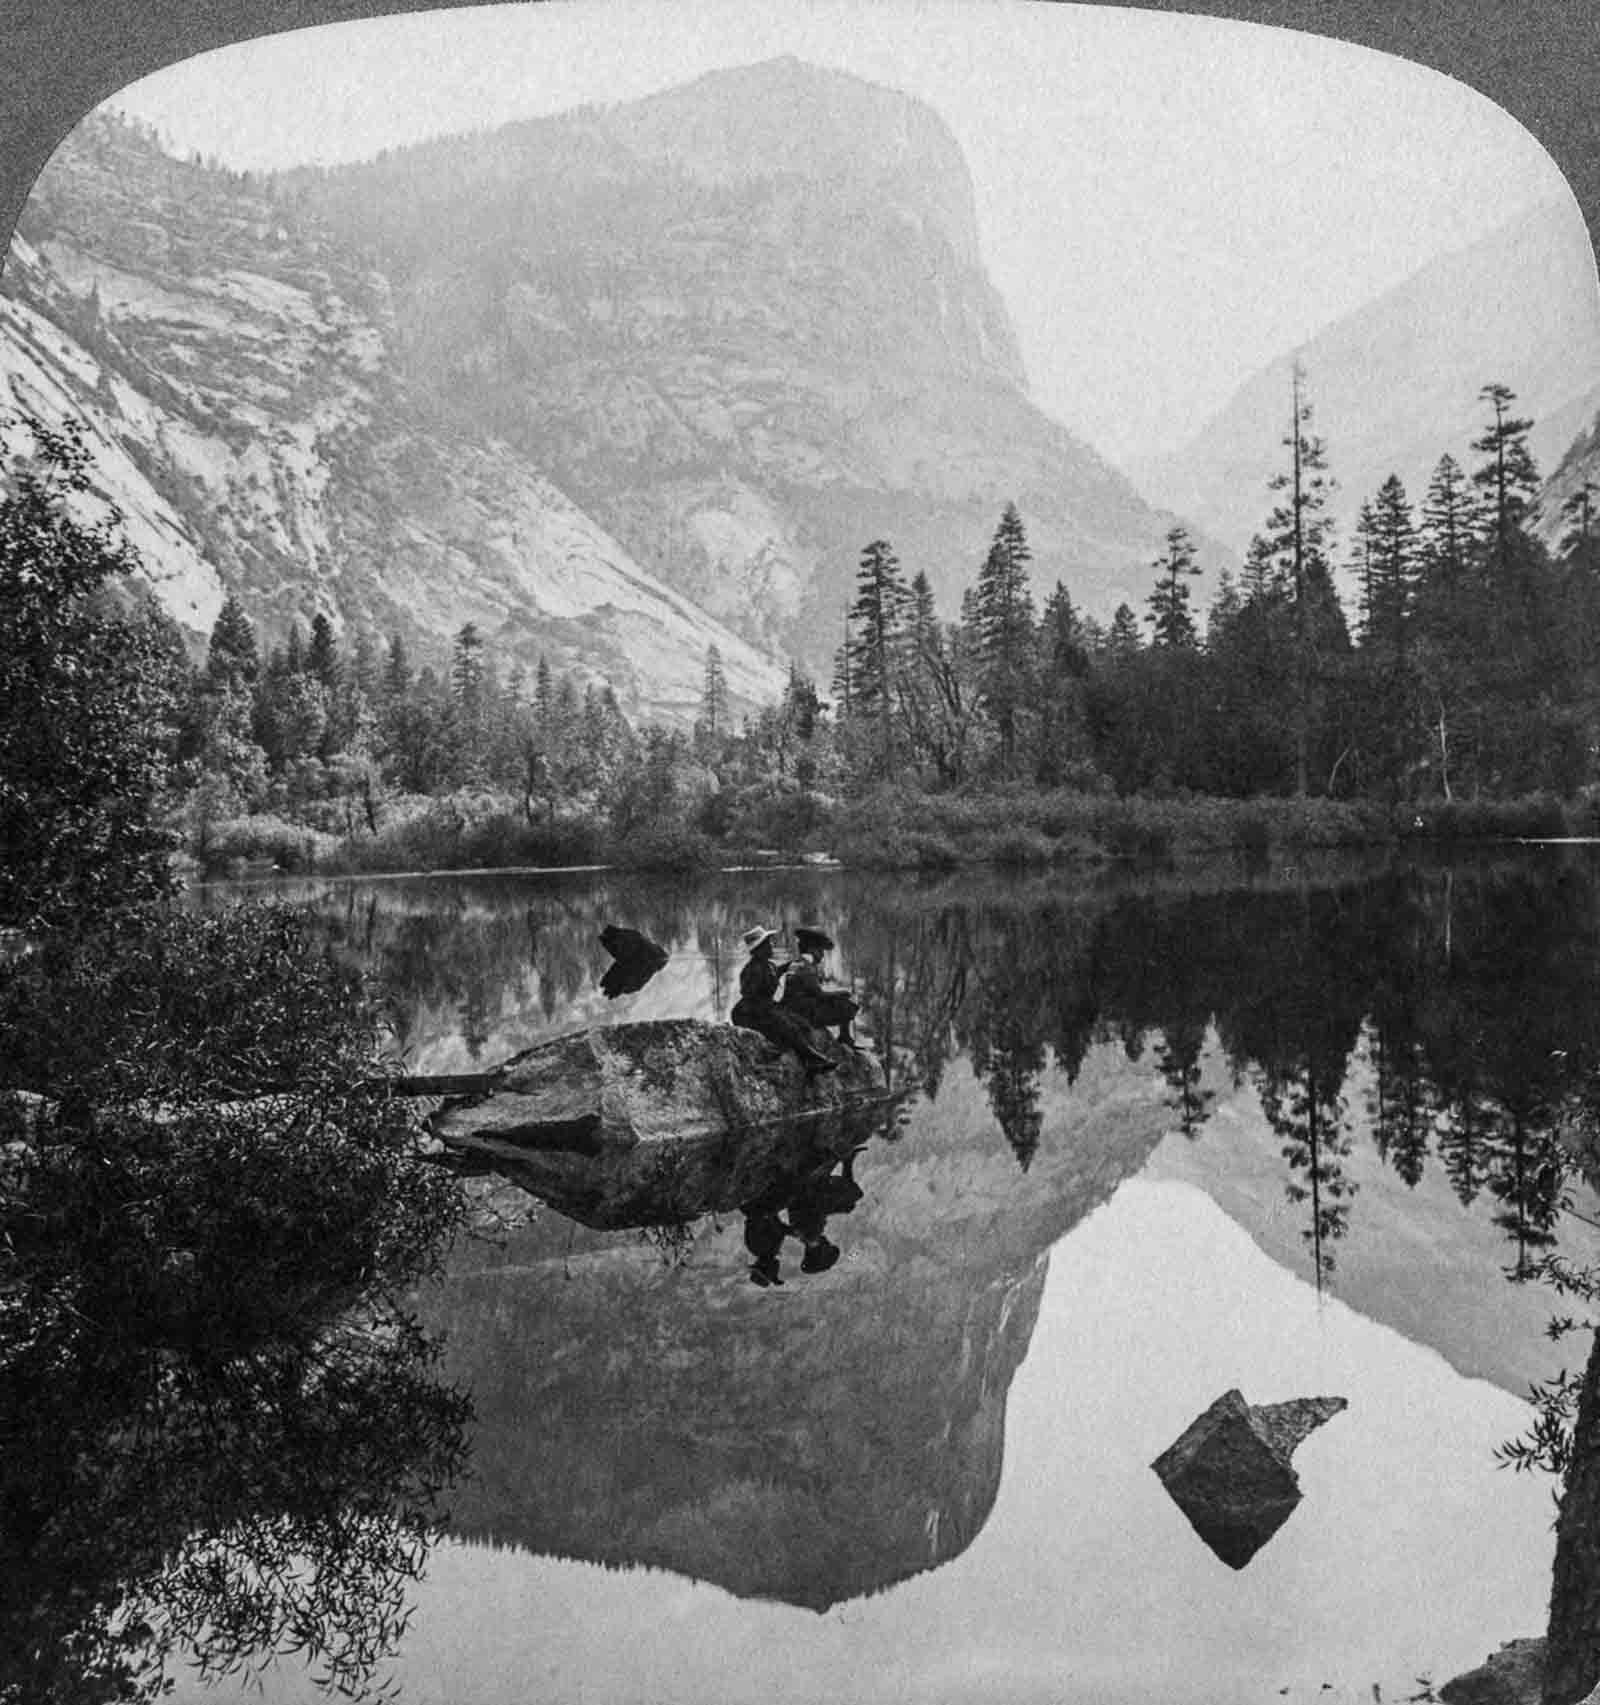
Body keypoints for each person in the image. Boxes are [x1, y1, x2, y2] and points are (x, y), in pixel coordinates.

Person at [731, 925, 837, 1076]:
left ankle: (810, 1060)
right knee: (787, 1026)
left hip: (763, 1007)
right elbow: (750, 994)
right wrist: (768, 1005)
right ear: (759, 949)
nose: (772, 946)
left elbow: (775, 973)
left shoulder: (767, 966)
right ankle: (813, 1058)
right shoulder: (752, 969)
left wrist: (791, 964)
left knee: (800, 1023)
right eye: (768, 944)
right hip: (749, 1012)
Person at [781, 925, 861, 1050]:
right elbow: (818, 993)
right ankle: (844, 1037)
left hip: (798, 1007)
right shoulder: (805, 966)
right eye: (820, 950)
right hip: (803, 1012)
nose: (822, 955)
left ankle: (844, 1036)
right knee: (847, 1004)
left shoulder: (798, 963)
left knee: (842, 1000)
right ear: (812, 949)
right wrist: (842, 993)